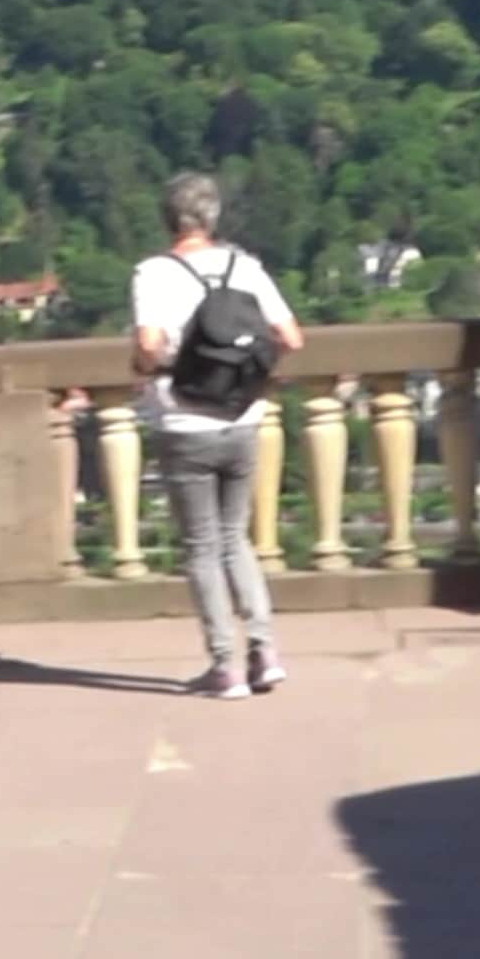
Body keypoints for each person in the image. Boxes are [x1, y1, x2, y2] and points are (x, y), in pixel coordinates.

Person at [131, 172, 306, 700]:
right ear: (212, 217)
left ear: (168, 219)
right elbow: (291, 337)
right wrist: (248, 373)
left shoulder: (154, 273)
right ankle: (265, 652)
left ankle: (224, 666)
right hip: (242, 417)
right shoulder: (244, 267)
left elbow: (148, 345)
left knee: (202, 547)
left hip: (184, 422)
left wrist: (150, 366)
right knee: (235, 538)